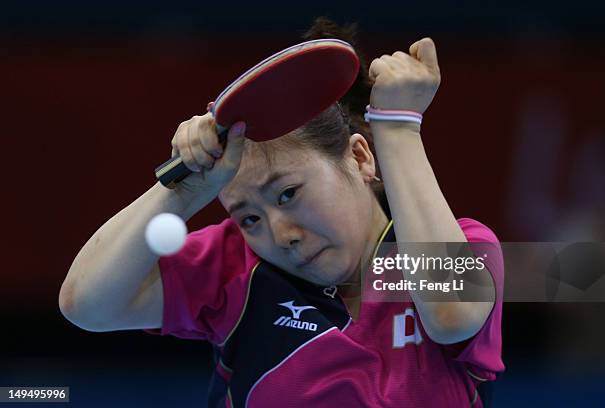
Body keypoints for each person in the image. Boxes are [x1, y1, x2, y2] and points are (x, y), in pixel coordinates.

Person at [59, 18, 504, 408]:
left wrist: (399, 127)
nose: (281, 233)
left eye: (288, 193)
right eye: (248, 217)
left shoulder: (465, 246)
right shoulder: (234, 268)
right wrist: (183, 190)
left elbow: (451, 316)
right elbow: (87, 306)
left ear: (361, 157)